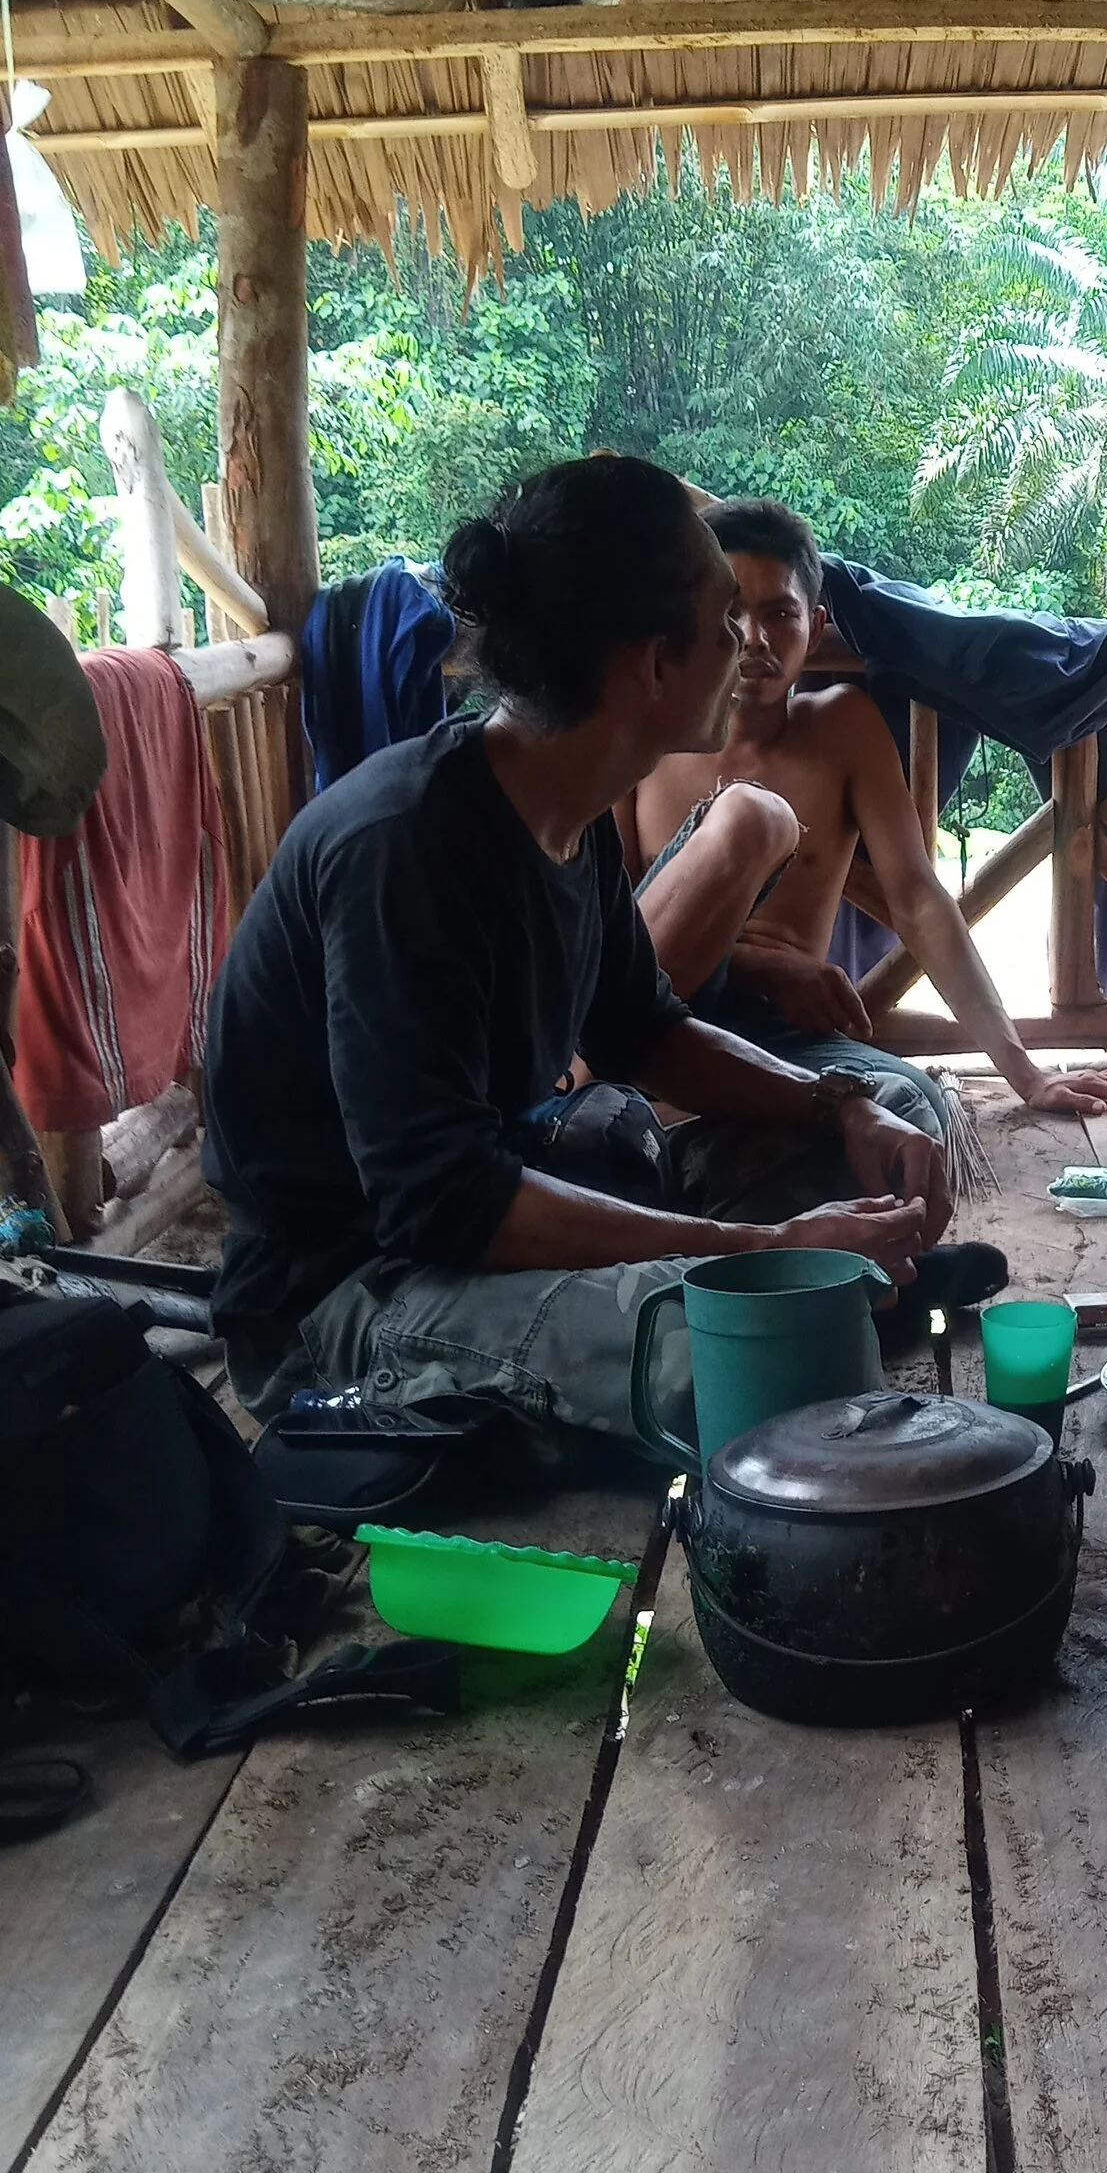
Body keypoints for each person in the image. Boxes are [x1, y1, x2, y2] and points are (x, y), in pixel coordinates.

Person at [201, 455, 948, 1446]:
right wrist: (757, 1247)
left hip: (498, 1208)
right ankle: (793, 1304)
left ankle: (807, 1286)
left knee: (892, 1116)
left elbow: (644, 1029)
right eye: (728, 622)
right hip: (347, 1296)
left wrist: (840, 1101)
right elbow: (445, 1202)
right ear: (649, 664)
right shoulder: (407, 847)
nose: (749, 651)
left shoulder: (572, 808)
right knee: (730, 1358)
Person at [619, 497, 1107, 1133]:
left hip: (784, 1040)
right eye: (730, 612)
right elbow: (612, 933)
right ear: (694, 618)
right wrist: (762, 965)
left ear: (815, 627)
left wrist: (1027, 1072)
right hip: (654, 1028)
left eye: (779, 614)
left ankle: (688, 1149)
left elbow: (920, 900)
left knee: (911, 1111)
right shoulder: (640, 734)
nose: (754, 639)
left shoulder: (842, 728)